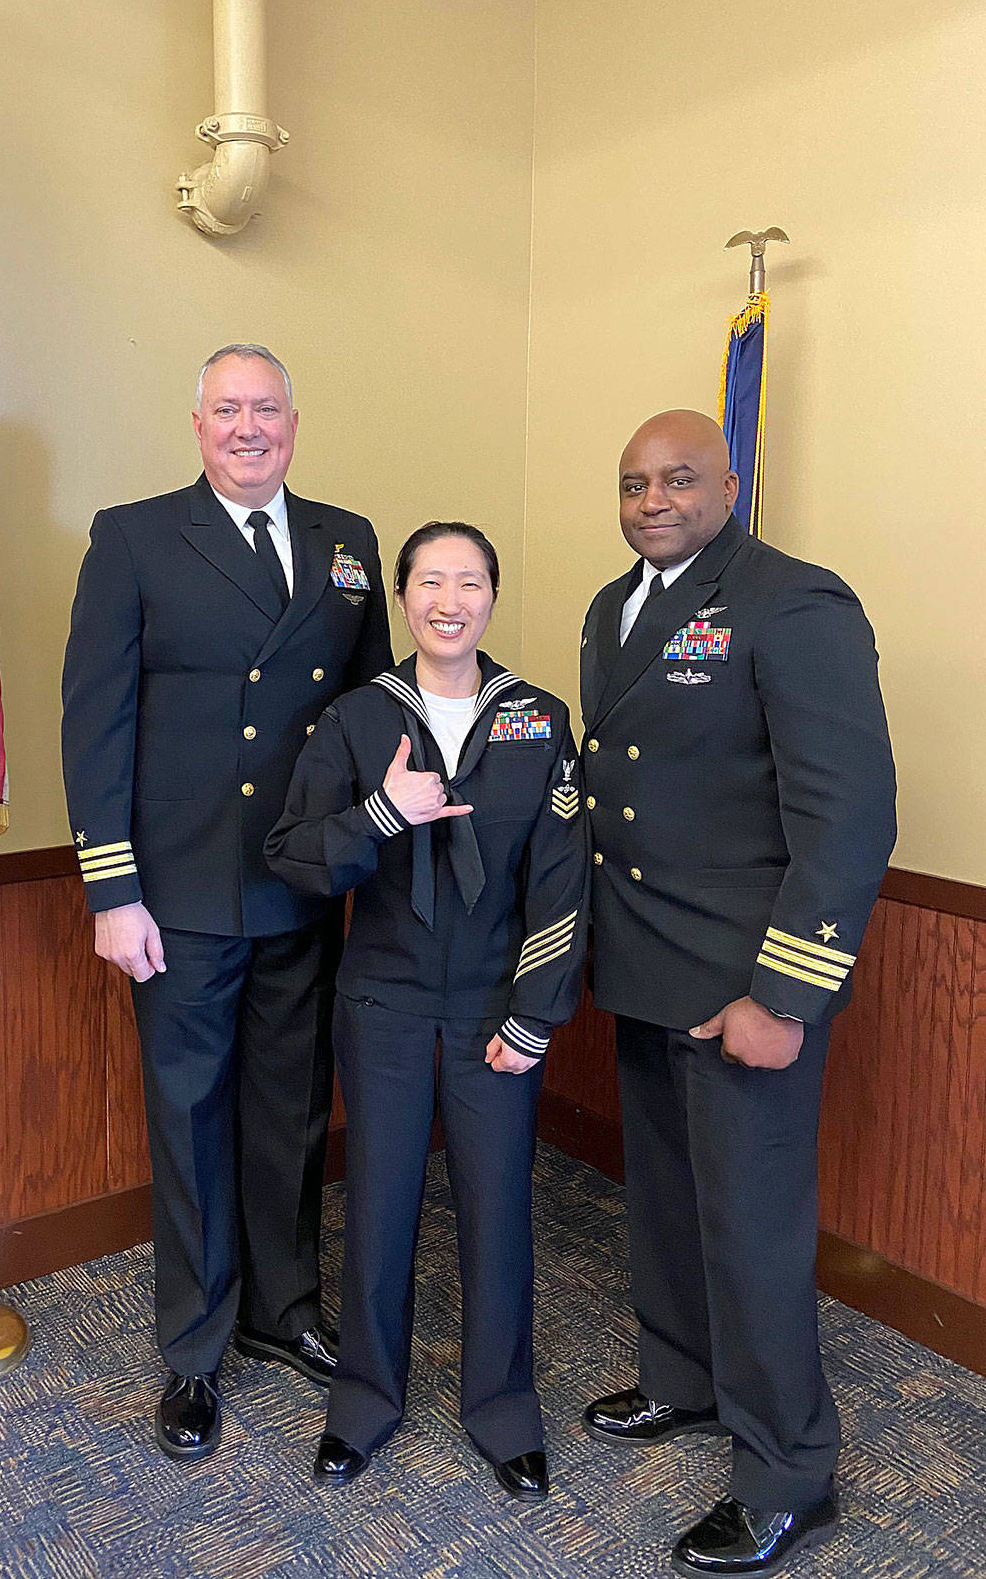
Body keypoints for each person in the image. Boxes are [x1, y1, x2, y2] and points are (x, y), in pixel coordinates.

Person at [577, 410, 897, 1575]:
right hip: (646, 965)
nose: (651, 500)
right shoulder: (613, 608)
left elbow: (846, 818)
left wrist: (785, 996)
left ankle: (785, 1475)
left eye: (675, 479)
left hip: (741, 984)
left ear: (729, 481)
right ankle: (683, 1378)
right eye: (630, 484)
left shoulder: (791, 601)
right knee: (663, 1200)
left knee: (753, 1233)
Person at [61, 344, 392, 1461]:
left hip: (299, 883)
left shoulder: (348, 542)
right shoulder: (135, 536)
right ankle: (194, 1351)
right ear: (195, 422)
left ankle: (281, 1310)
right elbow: (93, 719)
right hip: (183, 891)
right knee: (192, 1119)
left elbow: (367, 711)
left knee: (291, 1108)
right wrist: (115, 888)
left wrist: (374, 843)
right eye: (226, 411)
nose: (247, 427)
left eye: (265, 409)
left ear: (294, 420)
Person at [265, 522, 590, 1498]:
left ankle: (501, 1411)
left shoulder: (536, 718)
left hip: (495, 1006)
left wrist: (534, 1016)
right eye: (430, 582)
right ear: (402, 599)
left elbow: (562, 881)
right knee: (379, 1208)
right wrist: (379, 815)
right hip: (387, 1007)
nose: (449, 600)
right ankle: (362, 1404)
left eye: (470, 581)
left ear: (490, 596)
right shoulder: (356, 722)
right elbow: (291, 851)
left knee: (497, 1212)